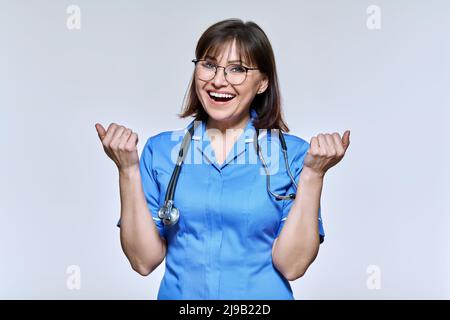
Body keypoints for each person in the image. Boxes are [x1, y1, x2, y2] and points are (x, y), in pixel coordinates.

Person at [95, 19, 350, 300]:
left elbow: (292, 266)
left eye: (237, 69)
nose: (218, 80)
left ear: (263, 82)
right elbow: (143, 261)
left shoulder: (292, 155)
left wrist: (313, 176)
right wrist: (127, 170)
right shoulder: (161, 151)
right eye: (208, 65)